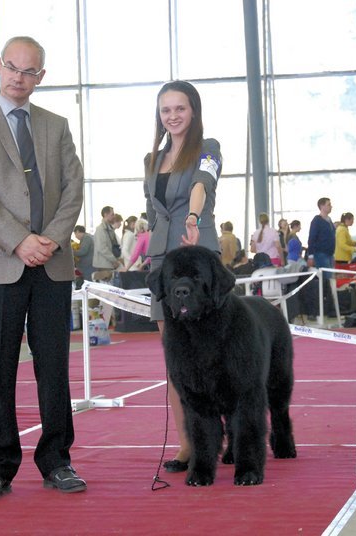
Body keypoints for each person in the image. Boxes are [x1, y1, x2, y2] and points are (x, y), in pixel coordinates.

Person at [0, 35, 86, 500]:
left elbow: (74, 187)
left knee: (54, 367)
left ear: (41, 77)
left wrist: (48, 239)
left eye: (29, 71)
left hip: (51, 262)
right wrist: (19, 241)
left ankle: (58, 461)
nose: (18, 78)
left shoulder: (56, 124)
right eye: (12, 67)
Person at [143, 80, 221, 473]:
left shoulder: (209, 149)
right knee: (176, 361)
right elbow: (154, 210)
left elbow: (201, 185)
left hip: (197, 256)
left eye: (180, 108)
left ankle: (226, 434)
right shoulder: (151, 159)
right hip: (162, 265)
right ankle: (187, 443)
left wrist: (192, 217)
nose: (172, 116)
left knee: (213, 356)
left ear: (194, 111)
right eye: (165, 110)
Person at [307, 197, 336, 276]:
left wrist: (333, 255)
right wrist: (311, 256)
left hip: (329, 254)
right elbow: (311, 238)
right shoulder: (317, 221)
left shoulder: (329, 220)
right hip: (321, 254)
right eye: (329, 204)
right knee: (327, 278)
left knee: (330, 277)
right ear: (322, 206)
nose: (331, 206)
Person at [93, 205, 123, 279]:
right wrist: (114, 260)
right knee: (105, 287)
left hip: (108, 263)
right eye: (112, 214)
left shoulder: (109, 229)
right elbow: (102, 248)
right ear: (105, 215)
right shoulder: (100, 229)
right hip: (104, 264)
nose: (113, 216)